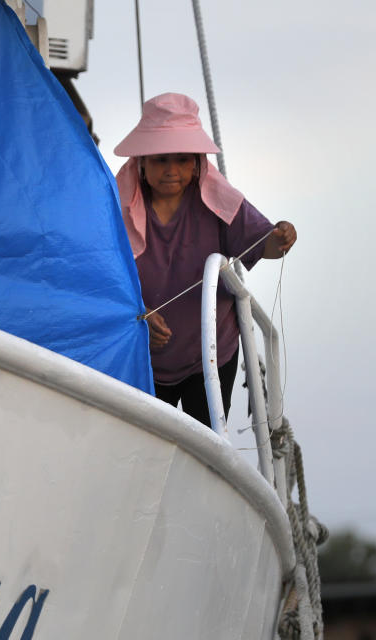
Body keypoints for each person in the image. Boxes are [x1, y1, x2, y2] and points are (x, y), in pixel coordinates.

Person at [113, 93, 296, 427]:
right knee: (145, 451)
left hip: (211, 357)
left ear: (197, 162)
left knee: (209, 448)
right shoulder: (114, 208)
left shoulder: (216, 200)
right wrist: (135, 314)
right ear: (141, 163)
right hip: (141, 357)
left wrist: (282, 237)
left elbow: (262, 243)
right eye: (160, 160)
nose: (172, 170)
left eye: (183, 159)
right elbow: (96, 276)